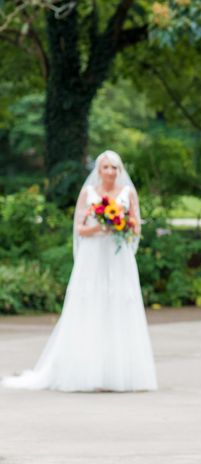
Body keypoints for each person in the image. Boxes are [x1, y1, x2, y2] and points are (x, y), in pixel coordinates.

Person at [2, 150, 158, 392]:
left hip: (118, 259)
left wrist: (122, 225)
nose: (110, 172)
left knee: (119, 305)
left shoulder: (128, 193)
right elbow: (79, 229)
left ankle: (120, 374)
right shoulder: (89, 193)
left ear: (120, 170)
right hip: (94, 256)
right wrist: (100, 227)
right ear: (98, 170)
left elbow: (136, 226)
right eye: (106, 167)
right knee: (91, 305)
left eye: (114, 167)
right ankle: (88, 372)